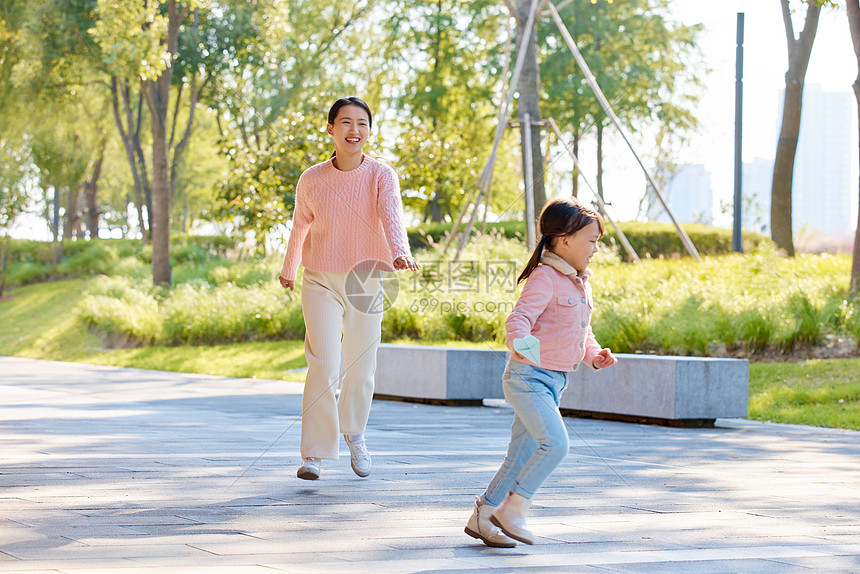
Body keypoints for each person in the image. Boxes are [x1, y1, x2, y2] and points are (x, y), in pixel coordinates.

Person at [278, 96, 419, 481]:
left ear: (369, 131)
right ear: (330, 128)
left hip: (367, 278)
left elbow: (392, 214)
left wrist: (400, 253)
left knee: (361, 362)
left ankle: (354, 432)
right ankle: (314, 454)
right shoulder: (312, 178)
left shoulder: (381, 174)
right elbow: (300, 226)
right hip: (320, 277)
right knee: (323, 362)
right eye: (345, 122)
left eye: (362, 123)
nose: (354, 130)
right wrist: (290, 267)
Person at [464, 197, 618, 547]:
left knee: (520, 454)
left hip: (553, 383)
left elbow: (582, 331)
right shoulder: (545, 278)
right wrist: (533, 355)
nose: (596, 248)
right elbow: (517, 324)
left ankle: (482, 516)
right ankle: (513, 508)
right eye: (592, 241)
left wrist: (594, 356)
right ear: (564, 240)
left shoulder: (579, 282)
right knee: (557, 444)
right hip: (528, 378)